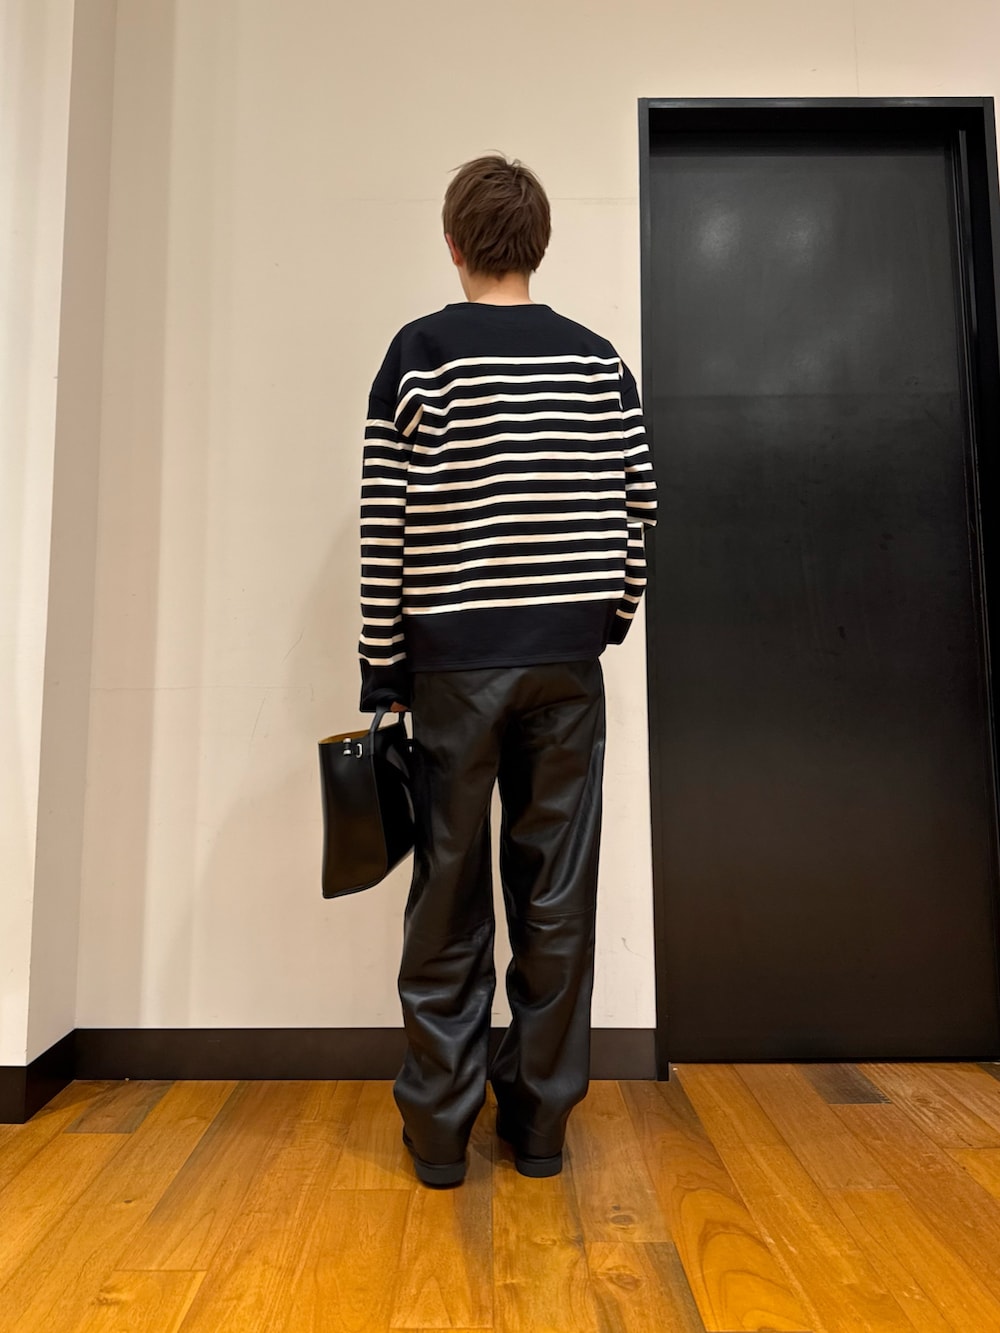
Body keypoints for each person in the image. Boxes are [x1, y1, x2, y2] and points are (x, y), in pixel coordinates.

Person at [357, 154, 656, 1187]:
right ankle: (539, 1128)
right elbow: (641, 507)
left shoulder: (419, 355)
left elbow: (385, 525)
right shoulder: (597, 361)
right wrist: (606, 617)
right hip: (566, 667)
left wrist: (382, 667)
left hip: (452, 670)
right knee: (556, 894)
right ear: (539, 244)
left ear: (453, 243)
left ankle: (441, 1131)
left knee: (447, 891)